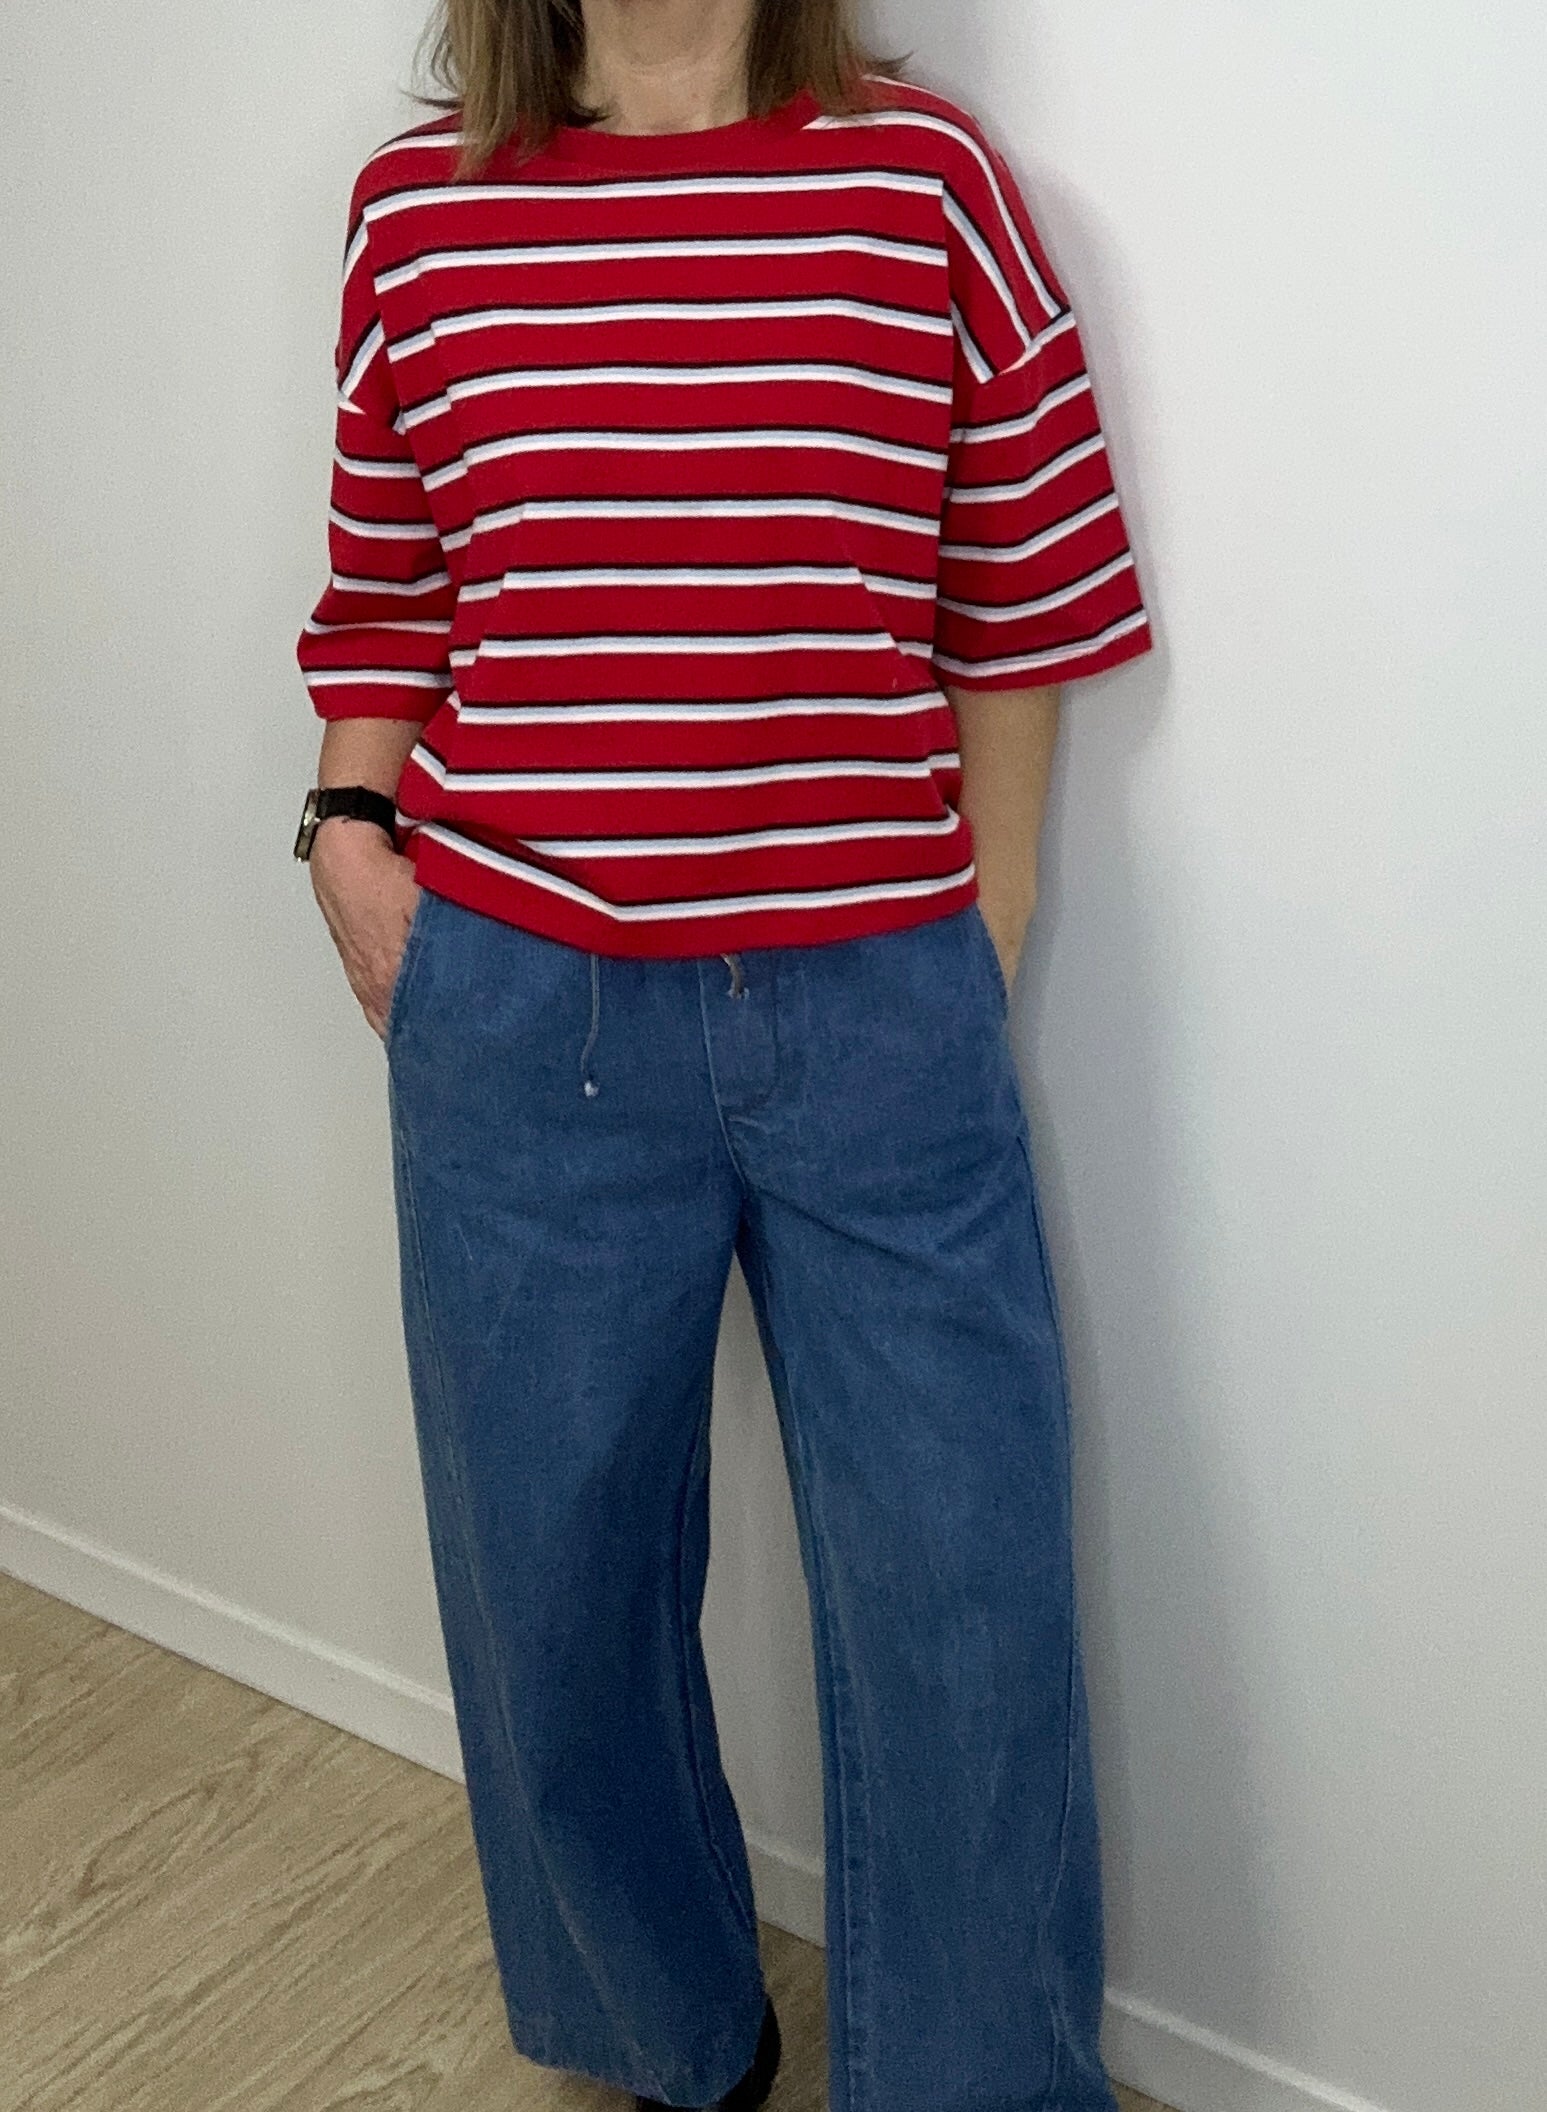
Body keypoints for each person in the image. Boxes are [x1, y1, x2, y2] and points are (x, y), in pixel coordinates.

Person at [293, 3, 1153, 2108]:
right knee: (554, 1592)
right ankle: (666, 2039)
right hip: (523, 1010)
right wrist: (343, 824)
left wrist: (986, 919)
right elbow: (390, 581)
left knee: (966, 1601)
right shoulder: (421, 208)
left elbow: (1026, 582)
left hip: (878, 1007)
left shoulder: (925, 184)